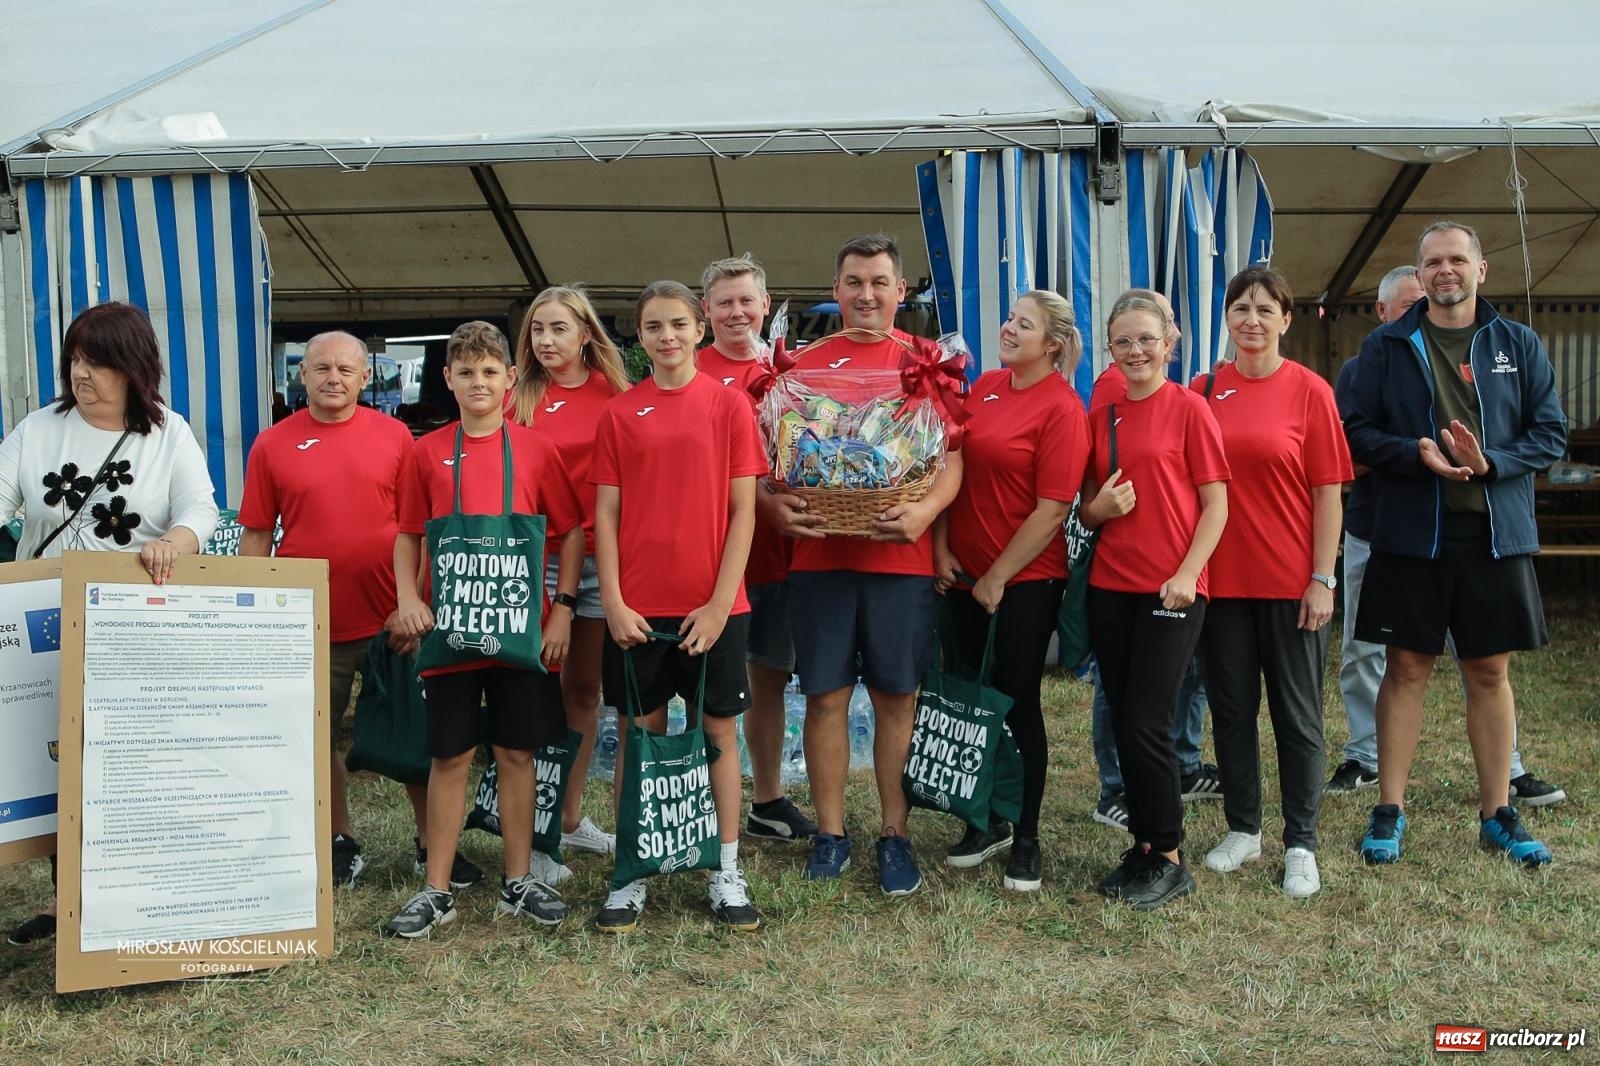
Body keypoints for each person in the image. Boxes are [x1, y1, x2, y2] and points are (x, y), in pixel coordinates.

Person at [1342, 222, 1566, 868]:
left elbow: (1550, 433)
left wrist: (1491, 462)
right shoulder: (1386, 347)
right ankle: (1389, 809)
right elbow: (1355, 432)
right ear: (1421, 272)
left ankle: (1497, 813)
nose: (1446, 270)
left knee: (1489, 671)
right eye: (1434, 261)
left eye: (1457, 259)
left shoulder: (1517, 344)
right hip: (1414, 533)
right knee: (1406, 668)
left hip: (1494, 535)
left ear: (1481, 270)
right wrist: (1413, 454)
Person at [0, 301, 219, 945]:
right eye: (74, 359)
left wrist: (173, 544)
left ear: (132, 367)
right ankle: (67, 901)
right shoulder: (39, 429)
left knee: (125, 762)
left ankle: (132, 901)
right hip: (45, 624)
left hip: (132, 626)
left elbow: (199, 510)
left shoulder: (168, 432)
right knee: (57, 758)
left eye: (96, 361)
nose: (81, 373)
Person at [771, 234, 964, 896]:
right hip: (821, 554)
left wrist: (922, 513)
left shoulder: (928, 363)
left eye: (880, 282)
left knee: (895, 697)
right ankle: (829, 833)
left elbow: (951, 460)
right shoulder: (801, 368)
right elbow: (770, 459)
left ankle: (894, 833)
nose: (866, 295)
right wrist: (775, 507)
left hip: (899, 559)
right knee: (824, 698)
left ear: (900, 291)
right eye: (854, 282)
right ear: (836, 289)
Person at [383, 320, 585, 938]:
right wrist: (409, 596)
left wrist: (564, 608)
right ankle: (436, 889)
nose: (478, 382)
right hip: (450, 629)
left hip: (521, 629)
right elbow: (408, 533)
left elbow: (571, 531)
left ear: (509, 380)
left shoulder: (536, 450)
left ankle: (518, 879)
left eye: (489, 372)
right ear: (446, 379)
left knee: (517, 752)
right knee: (450, 755)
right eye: (466, 372)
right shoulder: (425, 451)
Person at [240, 331, 459, 891]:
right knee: (317, 738)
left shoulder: (396, 437)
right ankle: (338, 840)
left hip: (394, 618)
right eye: (320, 368)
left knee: (417, 734)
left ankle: (430, 843)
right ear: (302, 375)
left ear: (366, 378)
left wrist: (418, 603)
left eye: (345, 369)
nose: (332, 378)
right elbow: (257, 535)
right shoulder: (272, 444)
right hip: (309, 621)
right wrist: (254, 614)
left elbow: (423, 527)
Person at [590, 281, 768, 933]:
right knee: (640, 739)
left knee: (718, 733)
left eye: (678, 324)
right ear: (640, 338)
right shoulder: (620, 412)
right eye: (653, 327)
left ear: (700, 330)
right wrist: (611, 600)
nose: (667, 337)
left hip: (714, 606)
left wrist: (721, 604)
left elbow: (744, 509)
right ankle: (632, 870)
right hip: (637, 609)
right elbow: (604, 514)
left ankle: (725, 867)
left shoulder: (728, 407)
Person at [1195, 267, 1351, 899]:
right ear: (1226, 319)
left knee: (1297, 716)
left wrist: (1322, 577)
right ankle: (1243, 828)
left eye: (1265, 309)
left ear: (1287, 320)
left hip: (1291, 583)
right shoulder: (1204, 390)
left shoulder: (1311, 391)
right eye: (1240, 309)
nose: (1251, 320)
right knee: (1231, 711)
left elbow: (1329, 494)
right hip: (1222, 581)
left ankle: (1300, 843)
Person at [932, 290, 1088, 892]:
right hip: (963, 576)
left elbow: (1053, 510)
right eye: (1009, 318)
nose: (1008, 328)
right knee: (971, 699)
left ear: (1051, 344)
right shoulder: (987, 387)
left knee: (1016, 701)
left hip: (1025, 581)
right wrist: (942, 546)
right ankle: (985, 817)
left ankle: (1026, 834)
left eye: (1024, 324)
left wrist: (998, 575)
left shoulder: (1062, 409)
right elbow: (953, 468)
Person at [1080, 292, 1229, 909]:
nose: (1136, 351)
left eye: (1147, 339)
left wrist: (1189, 573)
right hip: (1111, 585)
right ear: (1109, 350)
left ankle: (1168, 854)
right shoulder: (1103, 416)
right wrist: (1099, 509)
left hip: (1172, 588)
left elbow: (1216, 503)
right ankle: (1142, 846)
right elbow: (1087, 509)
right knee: (1122, 714)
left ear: (1170, 342)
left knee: (1148, 720)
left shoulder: (1191, 410)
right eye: (1123, 342)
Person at [508, 286, 633, 879]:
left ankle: (567, 817)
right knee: (535, 694)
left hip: (599, 560)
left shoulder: (620, 397)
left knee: (585, 693)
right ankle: (530, 832)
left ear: (587, 333)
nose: (546, 342)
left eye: (559, 329)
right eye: (537, 330)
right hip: (535, 563)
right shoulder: (517, 399)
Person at [695, 255, 819, 844]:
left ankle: (767, 798)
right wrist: (763, 501)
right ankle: (697, 798)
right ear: (706, 312)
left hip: (804, 553)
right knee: (720, 689)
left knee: (773, 676)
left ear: (766, 305)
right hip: (724, 560)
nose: (737, 312)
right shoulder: (691, 374)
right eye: (725, 302)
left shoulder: (798, 371)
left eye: (747, 300)